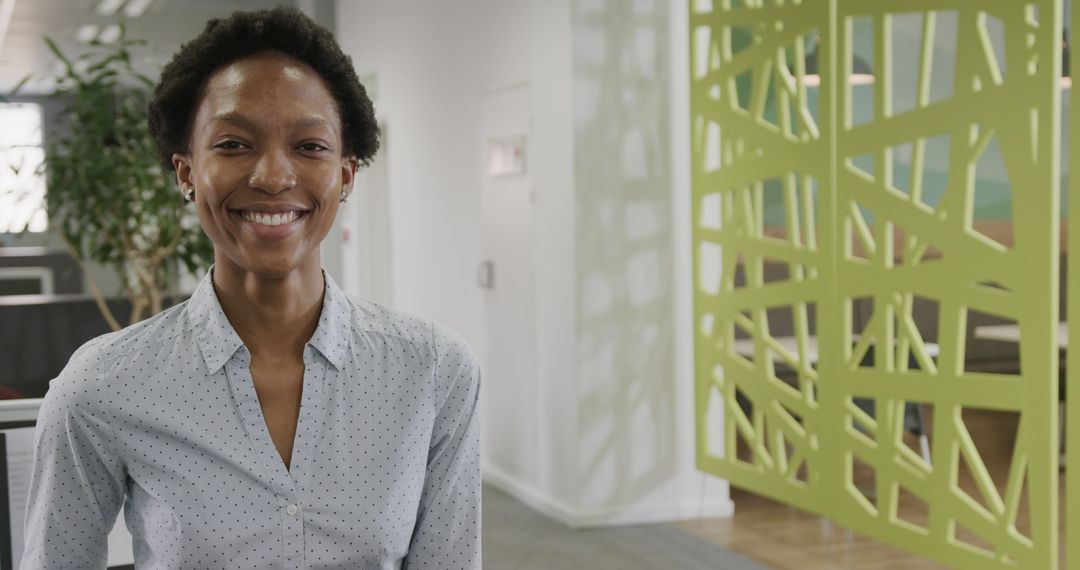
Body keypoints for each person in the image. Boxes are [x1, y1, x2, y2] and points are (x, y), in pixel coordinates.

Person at [21, 7, 481, 569]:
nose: (271, 176)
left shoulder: (433, 372)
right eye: (234, 144)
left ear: (345, 175)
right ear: (187, 173)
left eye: (309, 146)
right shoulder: (102, 387)